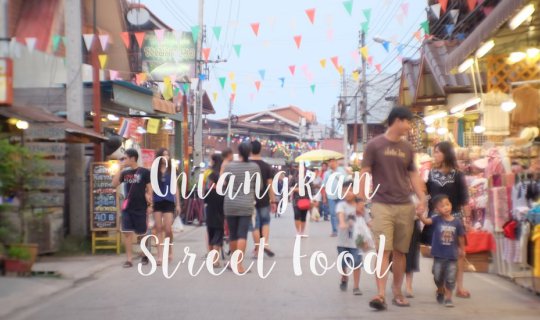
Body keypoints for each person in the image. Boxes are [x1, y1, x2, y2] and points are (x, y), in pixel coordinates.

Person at [358, 106, 426, 310]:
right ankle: (380, 294)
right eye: (407, 122)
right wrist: (361, 199)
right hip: (381, 204)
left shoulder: (407, 148)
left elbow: (413, 175)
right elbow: (364, 172)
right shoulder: (374, 145)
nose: (409, 126)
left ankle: (397, 291)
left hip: (405, 205)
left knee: (400, 252)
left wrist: (422, 198)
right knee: (383, 251)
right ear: (397, 120)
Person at [422, 141, 471, 298]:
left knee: (458, 254)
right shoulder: (430, 174)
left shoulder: (458, 175)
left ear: (446, 153)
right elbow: (426, 194)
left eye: (438, 152)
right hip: (436, 220)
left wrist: (467, 220)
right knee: (440, 254)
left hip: (455, 218)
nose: (435, 155)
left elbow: (464, 199)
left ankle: (459, 287)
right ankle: (441, 286)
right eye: (434, 152)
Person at [417, 194, 466, 308]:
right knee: (437, 275)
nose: (446, 207)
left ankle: (449, 298)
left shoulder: (457, 222)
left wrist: (462, 249)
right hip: (438, 254)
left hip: (452, 256)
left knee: (450, 277)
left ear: (451, 205)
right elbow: (426, 222)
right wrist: (420, 216)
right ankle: (440, 289)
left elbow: (461, 237)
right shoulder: (436, 219)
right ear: (437, 210)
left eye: (447, 204)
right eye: (442, 206)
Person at [222, 142, 261, 273]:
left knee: (233, 234)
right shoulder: (254, 167)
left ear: (238, 152)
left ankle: (233, 263)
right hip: (246, 204)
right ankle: (239, 266)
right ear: (249, 152)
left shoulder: (229, 166)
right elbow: (259, 187)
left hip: (230, 204)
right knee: (242, 235)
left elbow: (223, 184)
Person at [112, 148, 153, 268]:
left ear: (133, 158)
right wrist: (119, 169)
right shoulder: (125, 173)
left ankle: (145, 254)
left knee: (142, 233)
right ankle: (129, 259)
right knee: (127, 233)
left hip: (141, 207)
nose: (124, 160)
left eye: (125, 158)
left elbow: (150, 189)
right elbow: (114, 184)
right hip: (127, 207)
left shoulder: (144, 172)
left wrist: (151, 205)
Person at [152, 148, 181, 266]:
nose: (166, 157)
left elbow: (176, 188)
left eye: (167, 155)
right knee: (158, 228)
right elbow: (151, 186)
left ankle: (170, 250)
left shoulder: (172, 170)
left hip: (169, 200)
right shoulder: (154, 170)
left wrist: (178, 203)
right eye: (163, 155)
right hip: (157, 200)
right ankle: (159, 256)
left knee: (168, 229)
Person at [336, 181, 365, 296]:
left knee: (357, 262)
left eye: (350, 190)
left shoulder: (361, 207)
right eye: (344, 190)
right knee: (343, 263)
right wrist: (343, 223)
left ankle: (356, 286)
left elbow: (368, 221)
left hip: (357, 240)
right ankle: (344, 277)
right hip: (343, 241)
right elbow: (340, 215)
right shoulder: (341, 205)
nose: (347, 193)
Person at [250, 140, 277, 258]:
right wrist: (274, 200)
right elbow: (270, 185)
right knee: (265, 222)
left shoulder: (247, 165)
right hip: (264, 199)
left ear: (250, 150)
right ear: (260, 149)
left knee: (255, 225)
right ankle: (264, 244)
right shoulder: (266, 166)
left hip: (250, 200)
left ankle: (257, 248)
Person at [204, 153, 225, 267]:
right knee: (218, 230)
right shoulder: (223, 175)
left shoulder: (210, 175)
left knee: (211, 229)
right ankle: (215, 260)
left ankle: (212, 258)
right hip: (221, 203)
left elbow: (205, 191)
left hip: (211, 203)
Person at [322, 159, 348, 237]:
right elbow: (324, 185)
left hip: (341, 196)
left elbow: (346, 182)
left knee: (341, 213)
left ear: (336, 163)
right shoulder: (327, 173)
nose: (331, 163)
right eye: (329, 162)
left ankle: (342, 229)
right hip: (331, 196)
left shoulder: (342, 171)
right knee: (333, 213)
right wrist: (324, 197)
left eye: (332, 162)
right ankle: (335, 230)